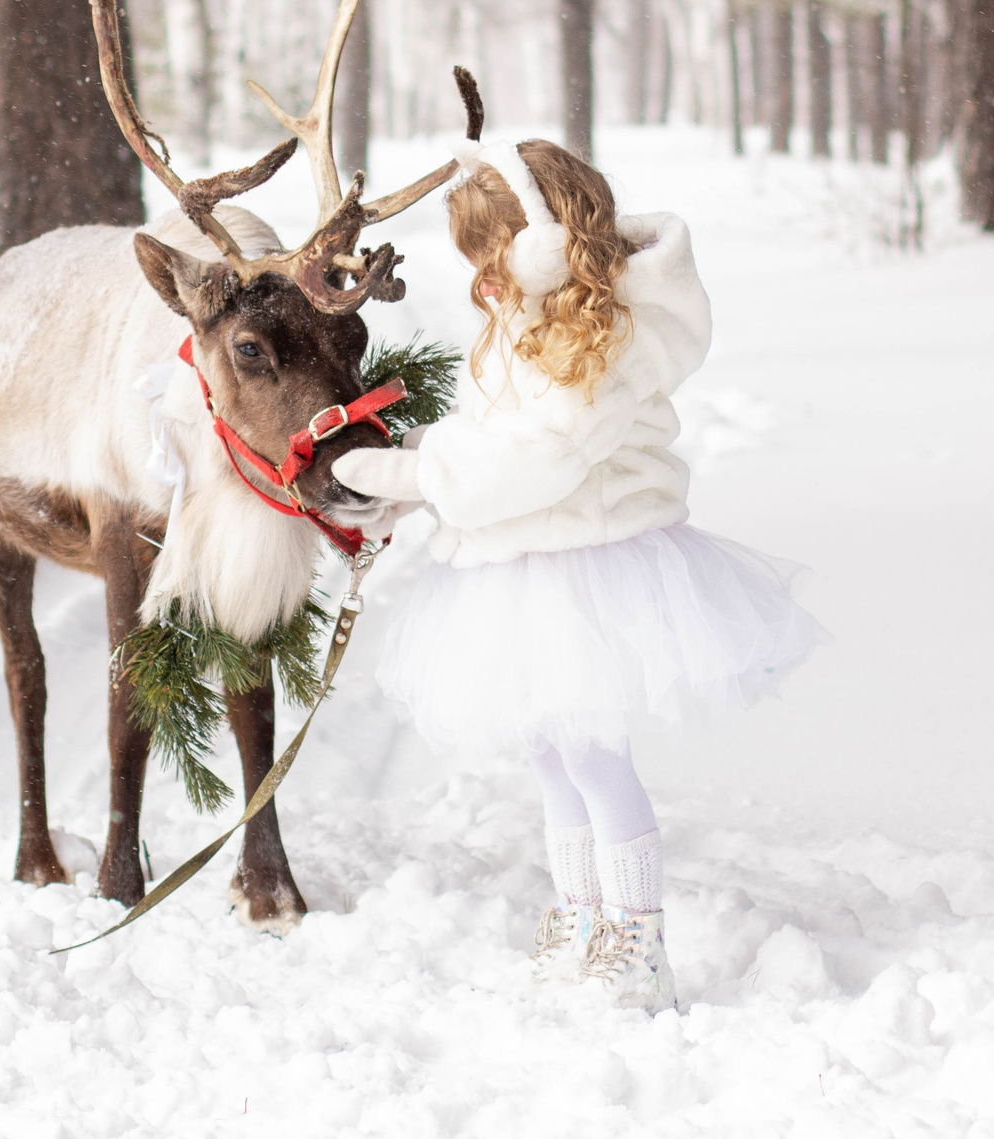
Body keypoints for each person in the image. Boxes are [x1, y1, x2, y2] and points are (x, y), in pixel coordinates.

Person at [334, 137, 825, 1012]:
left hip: (591, 571)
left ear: (543, 246)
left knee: (595, 757)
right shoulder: (532, 321)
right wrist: (416, 459)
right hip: (530, 564)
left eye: (491, 260)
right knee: (550, 751)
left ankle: (637, 937)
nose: (483, 284)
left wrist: (417, 476)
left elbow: (543, 456)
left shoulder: (605, 336)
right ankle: (580, 913)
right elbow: (495, 444)